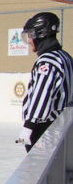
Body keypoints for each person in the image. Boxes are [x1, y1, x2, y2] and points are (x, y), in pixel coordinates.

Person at [16, 12, 73, 152]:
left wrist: (29, 126)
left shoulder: (47, 61)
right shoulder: (64, 56)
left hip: (45, 129)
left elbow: (42, 95)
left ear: (40, 34)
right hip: (62, 125)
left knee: (38, 170)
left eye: (30, 35)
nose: (28, 40)